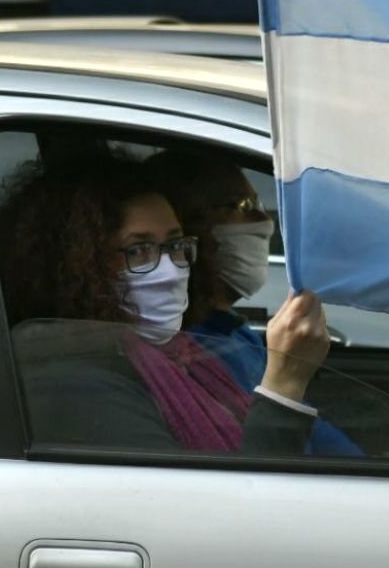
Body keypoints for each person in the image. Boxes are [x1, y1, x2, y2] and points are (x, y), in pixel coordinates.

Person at [0, 155, 331, 454]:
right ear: (77, 266)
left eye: (175, 245)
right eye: (139, 251)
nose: (171, 269)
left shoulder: (182, 355)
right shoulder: (69, 379)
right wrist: (284, 385)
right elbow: (231, 512)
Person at [145, 150, 362, 456]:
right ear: (192, 227)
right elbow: (259, 456)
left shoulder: (233, 334)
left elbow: (311, 427)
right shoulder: (191, 352)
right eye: (241, 206)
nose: (264, 221)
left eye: (258, 204)